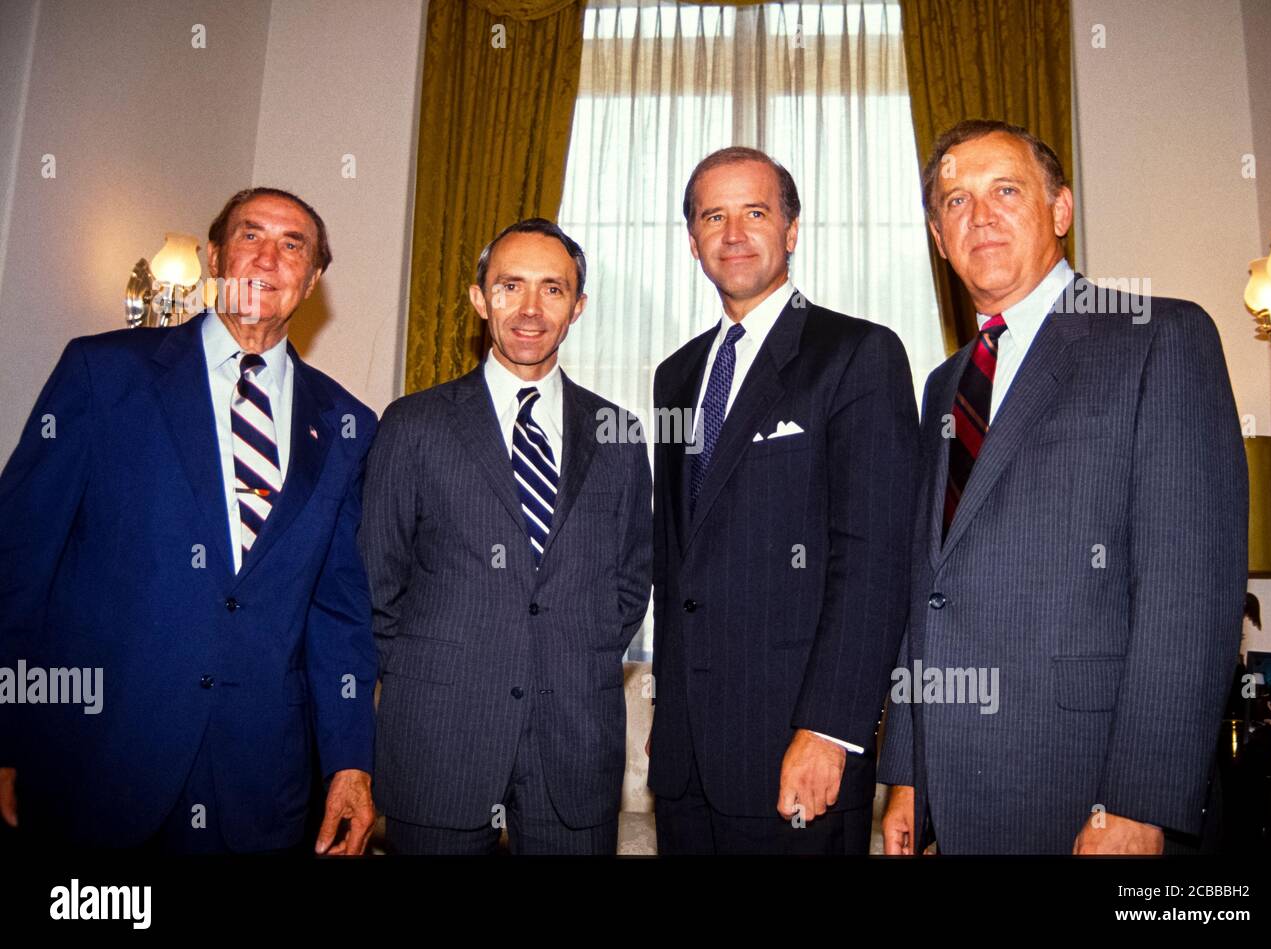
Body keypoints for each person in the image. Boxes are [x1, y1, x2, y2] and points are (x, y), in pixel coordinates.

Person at [877, 119, 1247, 854]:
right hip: (951, 787)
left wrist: (1139, 800)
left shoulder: (1158, 338)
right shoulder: (941, 387)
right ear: (936, 235)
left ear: (1061, 210)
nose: (978, 216)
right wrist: (908, 772)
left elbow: (1189, 592)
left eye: (1005, 190)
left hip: (1084, 786)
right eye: (954, 201)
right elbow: (928, 586)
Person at [0, 187, 378, 854]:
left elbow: (339, 612)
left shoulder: (349, 426)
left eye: (294, 246)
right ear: (213, 256)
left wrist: (350, 758)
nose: (269, 257)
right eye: (250, 236)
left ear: (314, 279)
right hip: (97, 757)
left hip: (258, 782)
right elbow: (19, 563)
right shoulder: (102, 373)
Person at [648, 147, 919, 854]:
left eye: (756, 212)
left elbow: (877, 560)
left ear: (792, 230)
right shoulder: (675, 376)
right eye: (714, 215)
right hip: (684, 762)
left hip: (797, 750)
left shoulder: (859, 354)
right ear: (693, 240)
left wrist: (830, 728)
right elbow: (678, 558)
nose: (733, 232)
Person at [360, 219, 652, 855]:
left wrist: (573, 653)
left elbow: (631, 581)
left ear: (578, 306)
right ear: (477, 298)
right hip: (440, 741)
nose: (529, 309)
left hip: (574, 744)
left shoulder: (619, 435)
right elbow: (377, 583)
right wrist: (431, 673)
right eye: (509, 286)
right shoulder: (413, 425)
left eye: (552, 289)